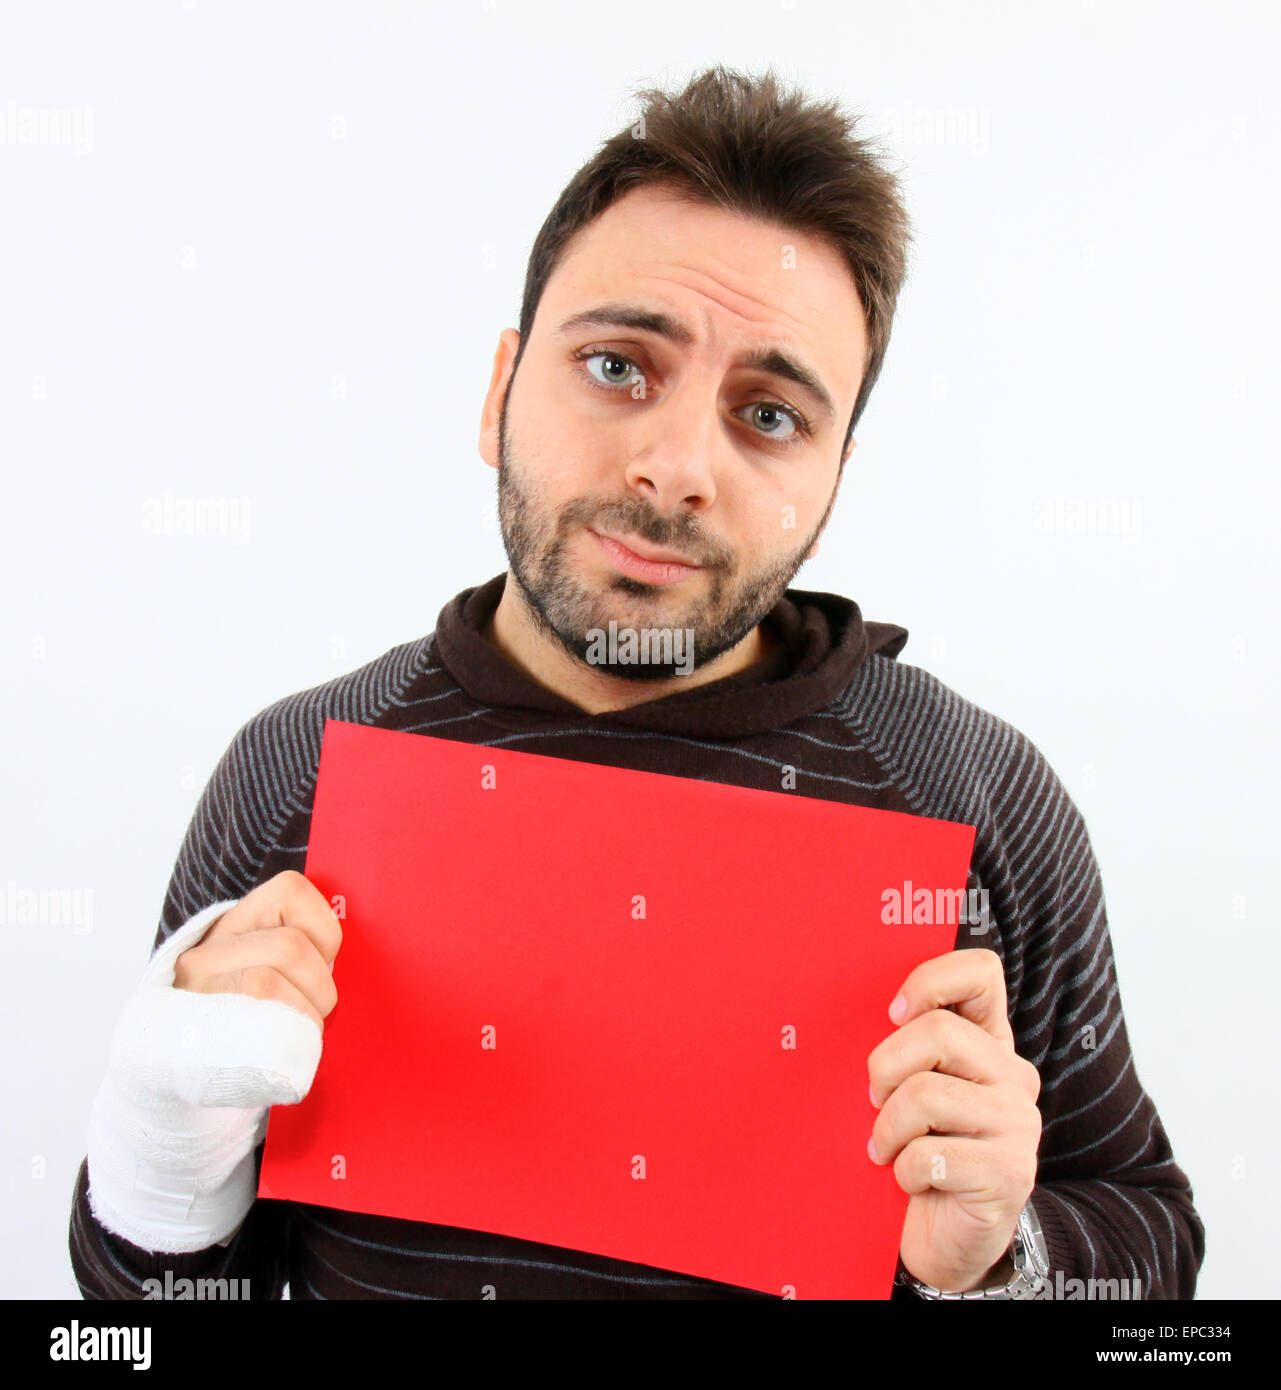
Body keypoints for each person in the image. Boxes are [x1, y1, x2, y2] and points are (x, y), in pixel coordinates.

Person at [70, 64, 1204, 1300]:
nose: (675, 468)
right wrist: (158, 1158)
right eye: (618, 366)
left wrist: (1003, 1262)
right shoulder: (298, 770)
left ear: (832, 484)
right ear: (502, 388)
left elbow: (1157, 1253)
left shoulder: (976, 793)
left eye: (769, 416)